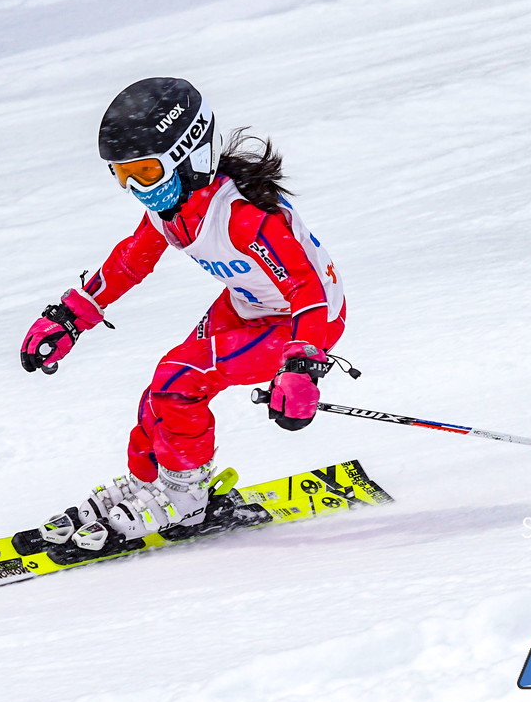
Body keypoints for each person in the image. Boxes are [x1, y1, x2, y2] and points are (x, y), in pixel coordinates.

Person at [20, 77, 346, 551]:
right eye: (122, 174)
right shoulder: (173, 206)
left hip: (301, 321)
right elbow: (132, 258)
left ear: (190, 154)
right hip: (246, 306)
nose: (135, 188)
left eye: (146, 173)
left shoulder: (241, 216)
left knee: (179, 379)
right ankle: (147, 483)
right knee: (159, 393)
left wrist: (302, 365)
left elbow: (307, 290)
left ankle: (184, 498)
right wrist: (74, 314)